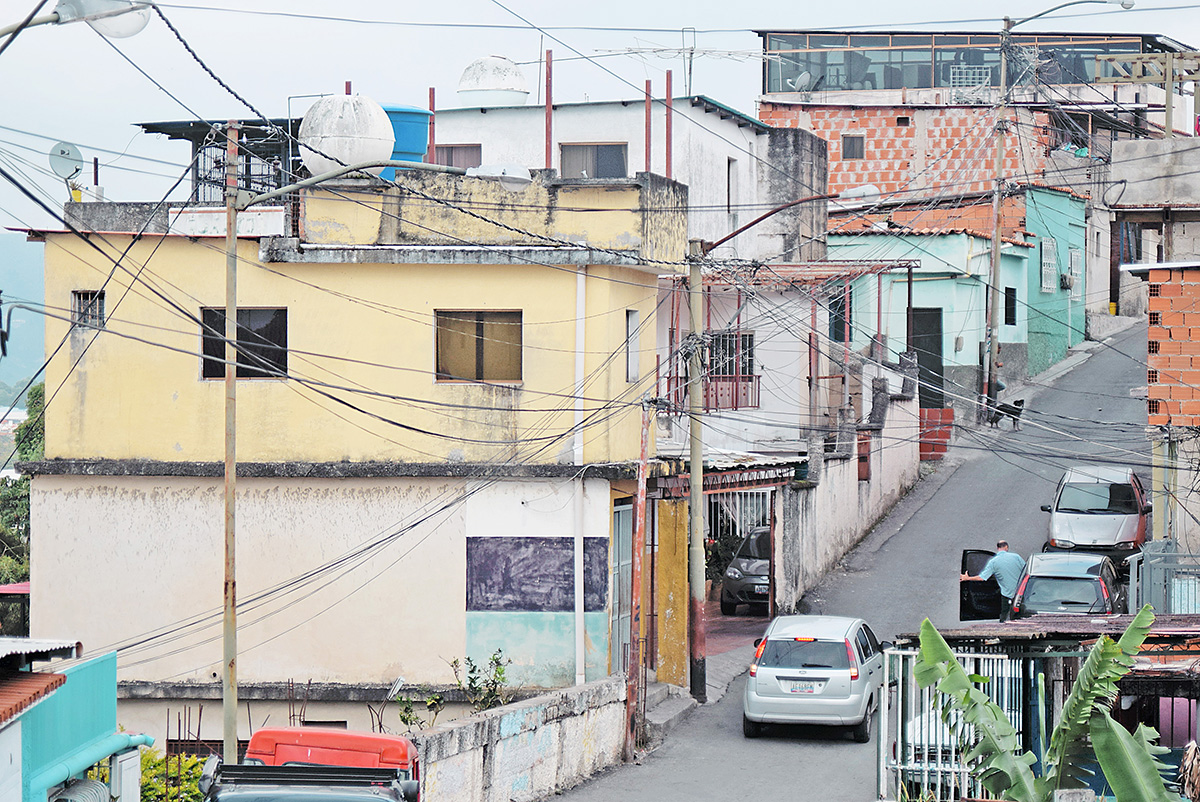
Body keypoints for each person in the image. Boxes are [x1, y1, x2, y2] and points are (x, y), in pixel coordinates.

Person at [961, 540, 1026, 622]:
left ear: (998, 548)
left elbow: (982, 577)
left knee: (1004, 615)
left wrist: (967, 578)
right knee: (1021, 615)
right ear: (1006, 547)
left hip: (1007, 595)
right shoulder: (1016, 557)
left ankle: (1002, 630)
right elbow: (1026, 570)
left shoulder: (993, 562)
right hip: (1022, 592)